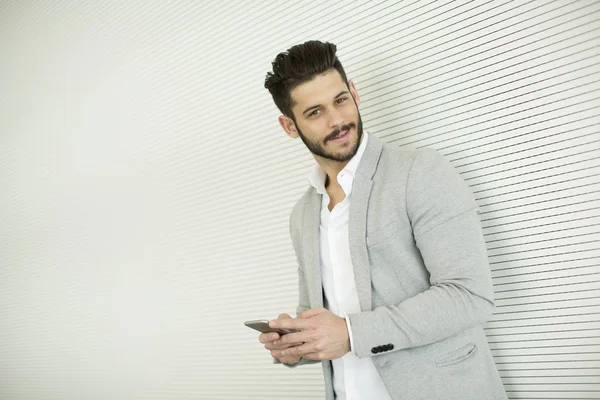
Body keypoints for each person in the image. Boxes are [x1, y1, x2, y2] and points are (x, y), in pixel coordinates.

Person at [259, 40, 509, 400]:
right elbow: (317, 316)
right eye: (315, 112)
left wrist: (350, 333)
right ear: (289, 126)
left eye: (341, 100)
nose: (337, 120)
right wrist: (296, 345)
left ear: (355, 93)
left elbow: (469, 295)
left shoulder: (421, 173)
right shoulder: (303, 214)